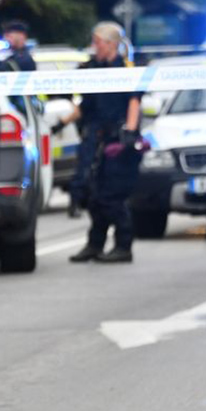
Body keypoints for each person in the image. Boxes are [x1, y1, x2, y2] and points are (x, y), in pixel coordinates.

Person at [51, 22, 143, 263]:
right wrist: (61, 123)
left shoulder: (125, 68)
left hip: (117, 142)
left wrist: (130, 134)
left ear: (111, 43)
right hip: (96, 140)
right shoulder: (94, 69)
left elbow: (134, 101)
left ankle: (124, 246)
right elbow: (87, 106)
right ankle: (95, 244)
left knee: (111, 196)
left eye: (98, 43)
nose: (94, 47)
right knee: (92, 196)